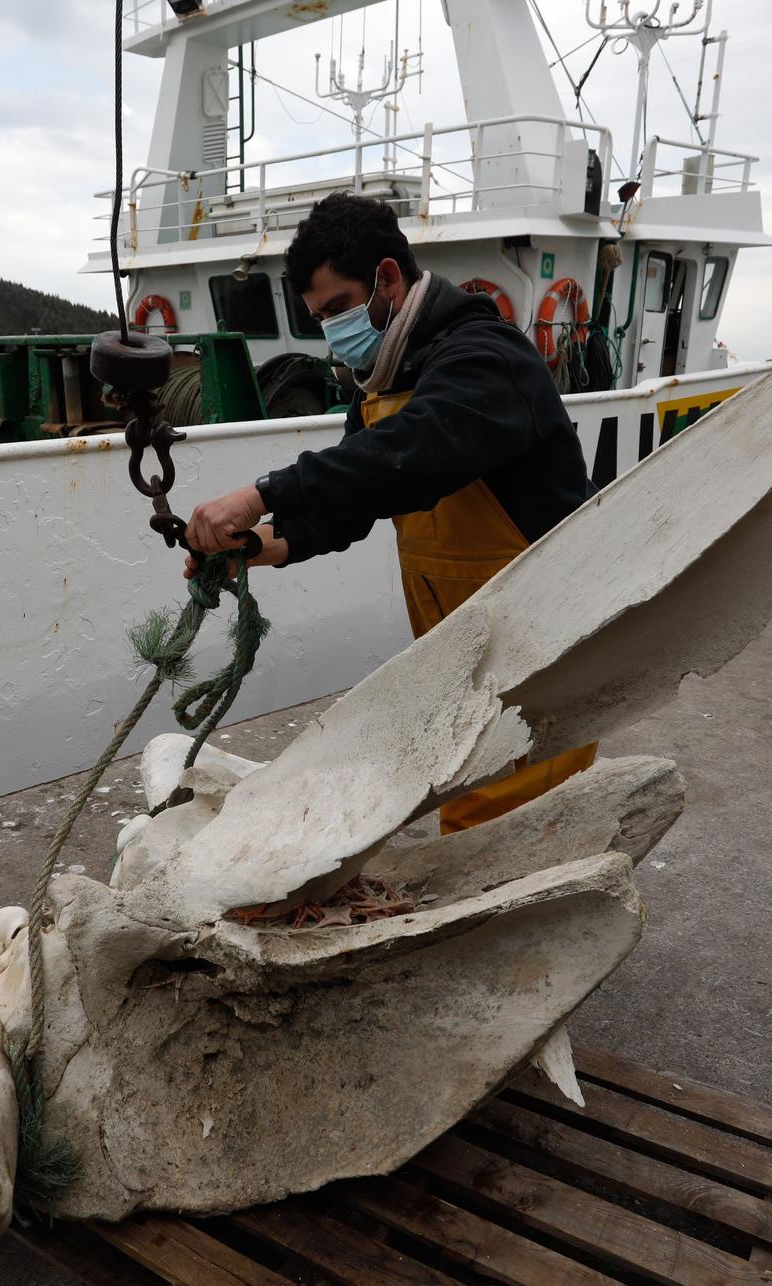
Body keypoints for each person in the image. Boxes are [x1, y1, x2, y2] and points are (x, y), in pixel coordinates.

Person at [182, 191, 597, 833]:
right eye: (319, 317)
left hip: (537, 649)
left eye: (339, 307)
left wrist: (258, 494)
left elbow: (410, 456)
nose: (331, 330)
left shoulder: (487, 357)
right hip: (460, 650)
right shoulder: (385, 378)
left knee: (526, 824)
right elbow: (354, 499)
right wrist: (262, 544)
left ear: (388, 278)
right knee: (468, 810)